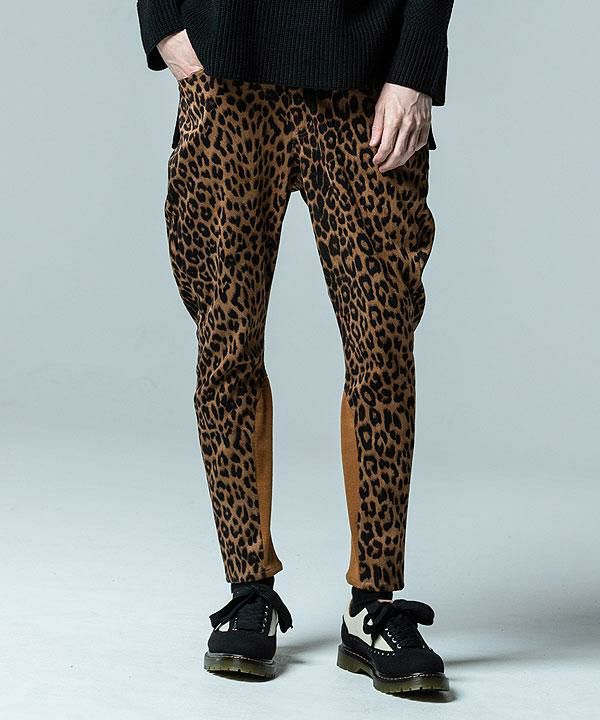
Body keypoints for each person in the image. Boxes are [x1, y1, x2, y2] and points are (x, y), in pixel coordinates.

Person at [136, 0, 454, 694]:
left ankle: (373, 601)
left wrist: (415, 68)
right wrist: (163, 25)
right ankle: (248, 587)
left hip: (369, 80)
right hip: (229, 79)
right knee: (226, 343)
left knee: (382, 347)